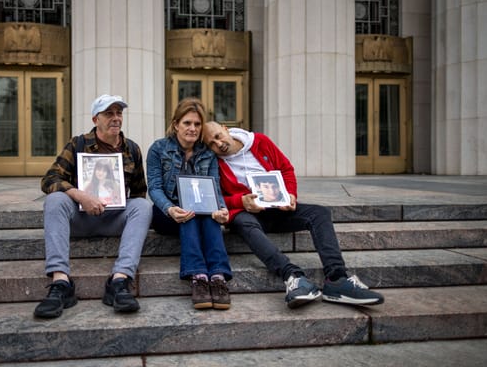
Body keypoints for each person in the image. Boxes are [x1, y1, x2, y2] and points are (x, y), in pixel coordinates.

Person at [203, 122, 384, 308]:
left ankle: (337, 280)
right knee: (242, 222)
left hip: (279, 209)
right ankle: (293, 277)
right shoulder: (213, 161)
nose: (218, 144)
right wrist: (240, 202)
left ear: (226, 128)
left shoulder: (260, 142)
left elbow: (286, 169)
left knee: (319, 213)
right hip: (249, 214)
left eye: (218, 136)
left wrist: (290, 195)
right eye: (211, 144)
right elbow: (216, 196)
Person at [34, 94, 152, 318]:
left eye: (119, 113)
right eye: (109, 113)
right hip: (81, 219)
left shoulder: (132, 149)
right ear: (95, 119)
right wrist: (80, 195)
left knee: (143, 206)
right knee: (55, 199)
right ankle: (61, 283)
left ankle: (119, 281)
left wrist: (117, 200)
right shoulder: (78, 144)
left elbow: (138, 191)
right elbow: (49, 179)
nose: (116, 118)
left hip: (114, 220)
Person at [146, 98, 232, 310]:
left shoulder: (207, 153)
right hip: (166, 212)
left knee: (209, 214)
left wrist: (222, 209)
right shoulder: (158, 149)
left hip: (199, 211)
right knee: (190, 215)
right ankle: (198, 277)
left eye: (197, 124)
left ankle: (218, 277)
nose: (192, 128)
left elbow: (215, 187)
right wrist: (169, 208)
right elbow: (155, 188)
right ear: (176, 124)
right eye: (187, 123)